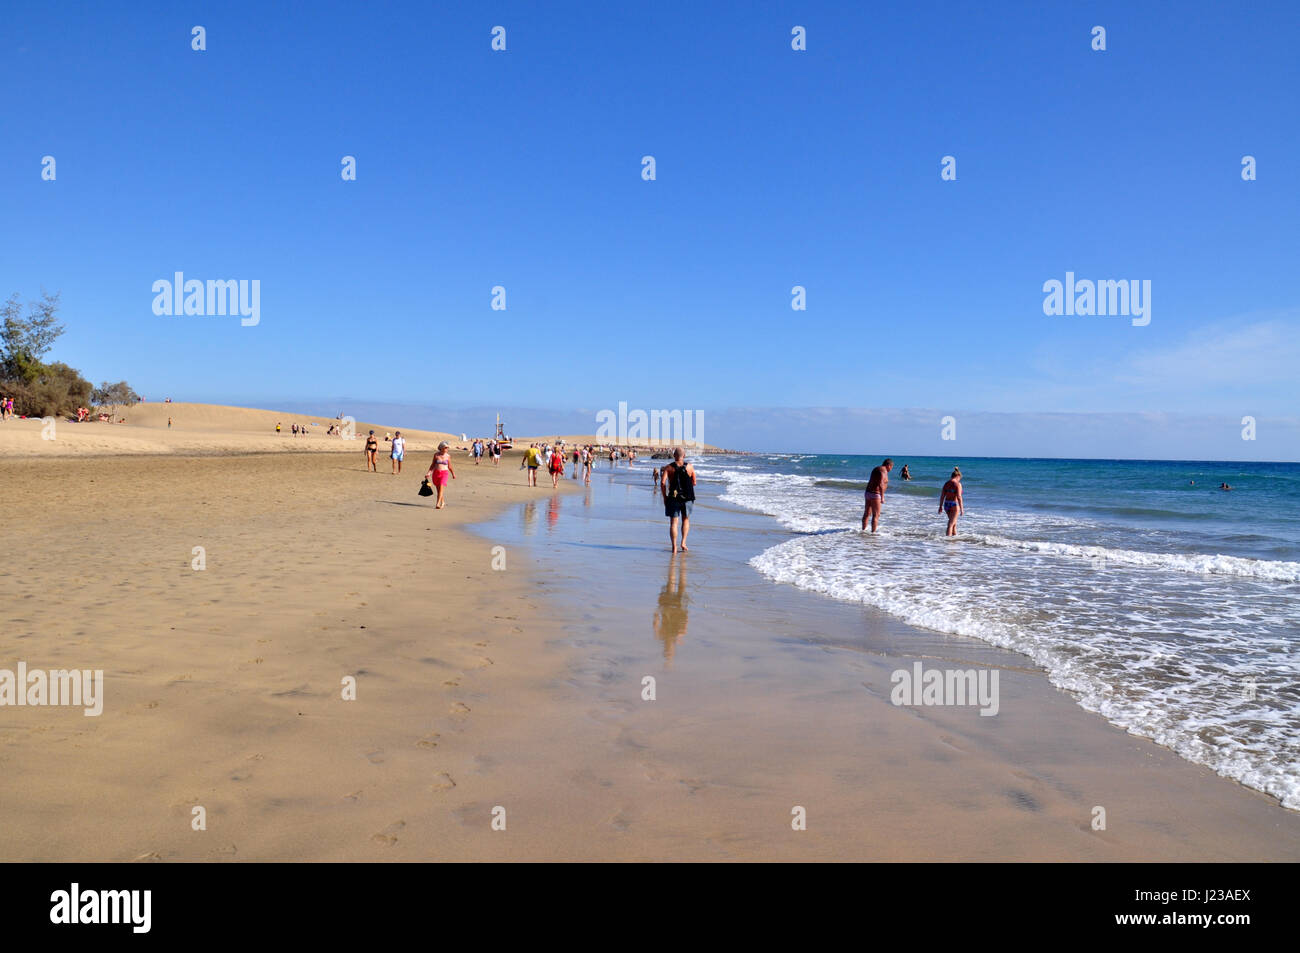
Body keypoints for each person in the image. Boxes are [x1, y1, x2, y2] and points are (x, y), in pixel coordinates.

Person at [660, 448, 697, 553]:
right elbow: (694, 482)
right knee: (685, 519)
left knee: (673, 522)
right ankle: (683, 542)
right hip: (688, 497)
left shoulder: (668, 468)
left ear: (674, 455)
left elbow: (662, 483)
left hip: (673, 497)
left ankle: (674, 547)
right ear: (684, 455)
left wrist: (665, 497)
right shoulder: (690, 467)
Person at [861, 458, 893, 533]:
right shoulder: (883, 470)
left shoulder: (877, 469)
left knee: (867, 513)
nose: (891, 469)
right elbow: (881, 483)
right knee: (876, 515)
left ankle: (863, 531)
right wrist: (882, 497)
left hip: (868, 492)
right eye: (891, 467)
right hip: (875, 494)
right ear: (889, 465)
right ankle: (873, 533)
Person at [426, 441, 455, 508]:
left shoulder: (448, 456)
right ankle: (443, 502)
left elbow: (450, 466)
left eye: (447, 448)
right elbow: (432, 465)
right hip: (436, 473)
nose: (447, 449)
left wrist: (453, 474)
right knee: (439, 490)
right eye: (445, 448)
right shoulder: (436, 455)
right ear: (441, 448)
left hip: (444, 473)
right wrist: (429, 473)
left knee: (441, 487)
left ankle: (438, 504)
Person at [938, 467, 964, 536]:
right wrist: (962, 509)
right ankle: (948, 541)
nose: (959, 480)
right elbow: (959, 496)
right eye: (960, 478)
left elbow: (942, 496)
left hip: (946, 504)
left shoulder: (946, 483)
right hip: (954, 505)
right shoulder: (958, 484)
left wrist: (940, 506)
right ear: (958, 476)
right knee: (951, 524)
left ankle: (954, 539)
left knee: (953, 524)